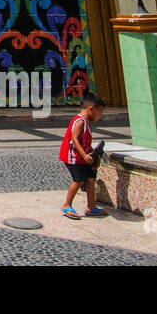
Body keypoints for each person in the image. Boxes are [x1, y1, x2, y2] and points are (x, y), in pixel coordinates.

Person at [60, 91, 107, 219]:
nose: (99, 116)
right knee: (78, 180)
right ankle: (66, 205)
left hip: (82, 157)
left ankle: (91, 206)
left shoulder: (86, 122)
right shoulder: (80, 121)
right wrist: (84, 155)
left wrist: (91, 150)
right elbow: (74, 139)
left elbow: (83, 140)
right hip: (74, 158)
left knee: (91, 178)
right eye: (100, 112)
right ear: (92, 109)